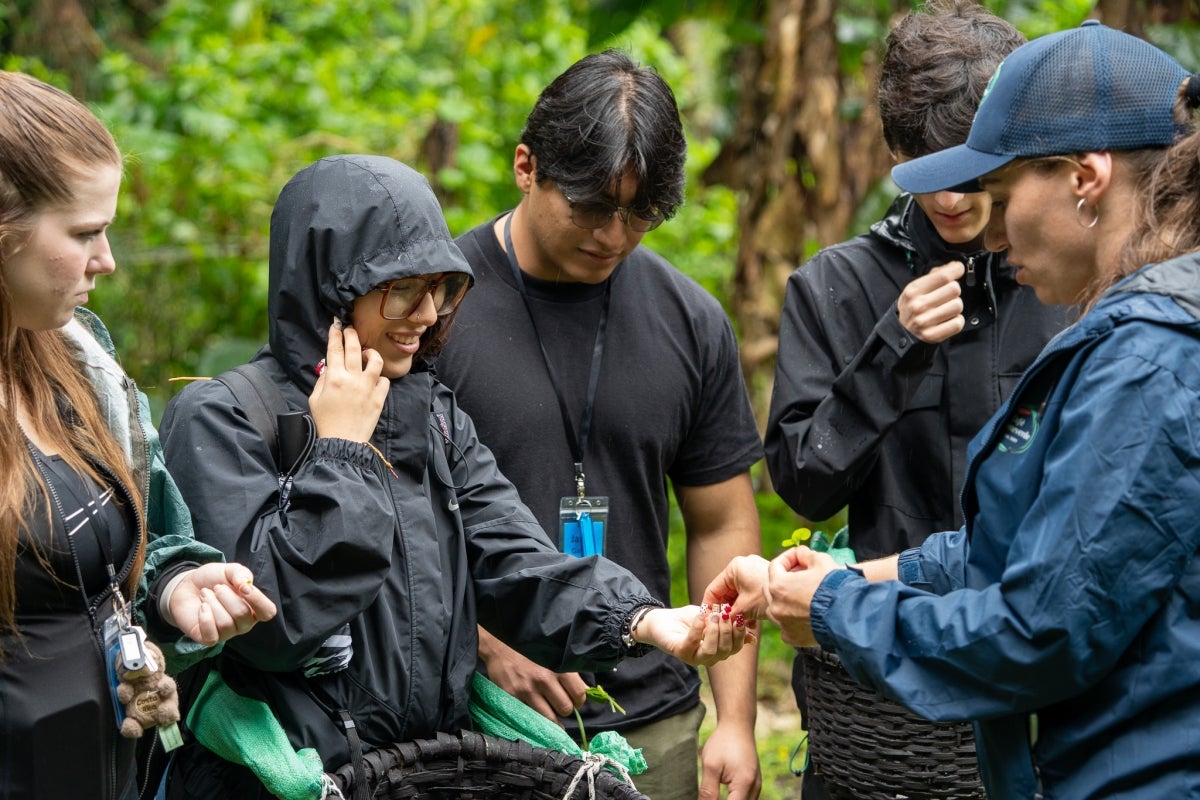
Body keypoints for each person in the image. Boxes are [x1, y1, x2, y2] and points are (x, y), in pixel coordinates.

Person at [706, 21, 1200, 799]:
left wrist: (838, 608)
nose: (991, 231)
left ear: (1087, 177)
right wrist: (849, 576)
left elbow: (1040, 629)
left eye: (999, 193)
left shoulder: (1142, 354)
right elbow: (1023, 544)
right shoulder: (842, 284)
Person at [157, 154, 749, 799]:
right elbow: (273, 628)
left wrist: (643, 621)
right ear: (332, 287)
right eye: (403, 289)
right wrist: (342, 453)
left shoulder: (431, 411)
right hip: (280, 782)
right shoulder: (223, 418)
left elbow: (515, 558)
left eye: (441, 289)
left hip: (428, 774)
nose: (427, 313)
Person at [435, 50, 764, 800]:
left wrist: (735, 720)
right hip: (478, 724)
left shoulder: (690, 320)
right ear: (527, 166)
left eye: (638, 212)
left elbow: (721, 523)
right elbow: (386, 519)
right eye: (588, 206)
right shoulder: (432, 310)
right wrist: (485, 645)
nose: (612, 235)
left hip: (654, 726)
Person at [762, 3, 1070, 795]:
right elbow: (803, 481)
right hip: (881, 689)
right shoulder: (834, 285)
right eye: (928, 169)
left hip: (1039, 669)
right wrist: (893, 349)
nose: (957, 200)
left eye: (977, 174)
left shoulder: (1067, 279)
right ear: (895, 151)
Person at [0, 71, 276, 800]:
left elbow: (128, 555)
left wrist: (173, 592)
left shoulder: (78, 361)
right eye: (85, 232)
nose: (108, 259)